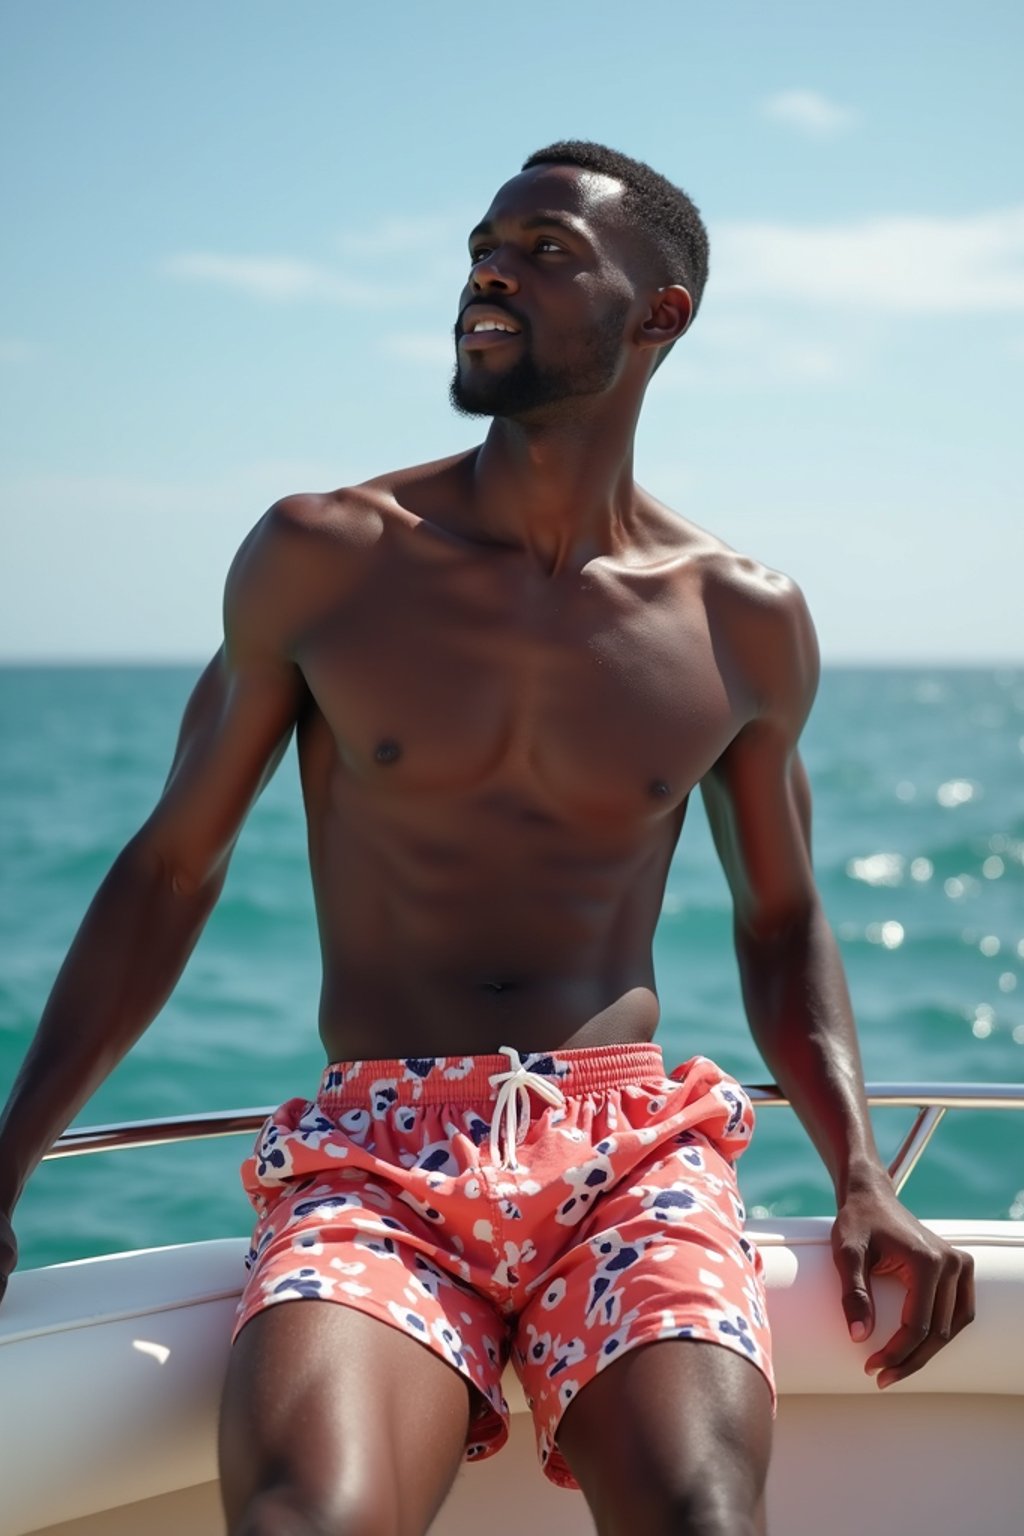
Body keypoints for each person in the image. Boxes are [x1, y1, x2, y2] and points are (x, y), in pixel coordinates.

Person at [0, 141, 974, 1536]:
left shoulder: (739, 618)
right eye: (482, 245)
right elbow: (171, 870)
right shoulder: (327, 555)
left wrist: (861, 1176)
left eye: (546, 249)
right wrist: (9, 1160)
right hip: (376, 1155)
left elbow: (782, 920)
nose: (491, 270)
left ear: (663, 314)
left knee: (706, 1516)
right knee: (305, 1521)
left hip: (631, 1149)